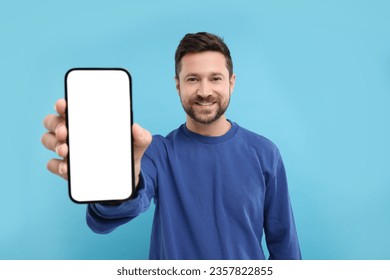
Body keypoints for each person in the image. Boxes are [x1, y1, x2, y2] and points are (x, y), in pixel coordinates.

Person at [42, 32, 302, 260]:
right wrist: (115, 180)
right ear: (177, 85)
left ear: (231, 82)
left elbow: (286, 247)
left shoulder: (265, 153)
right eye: (192, 79)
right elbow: (107, 220)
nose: (204, 91)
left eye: (215, 78)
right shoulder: (156, 152)